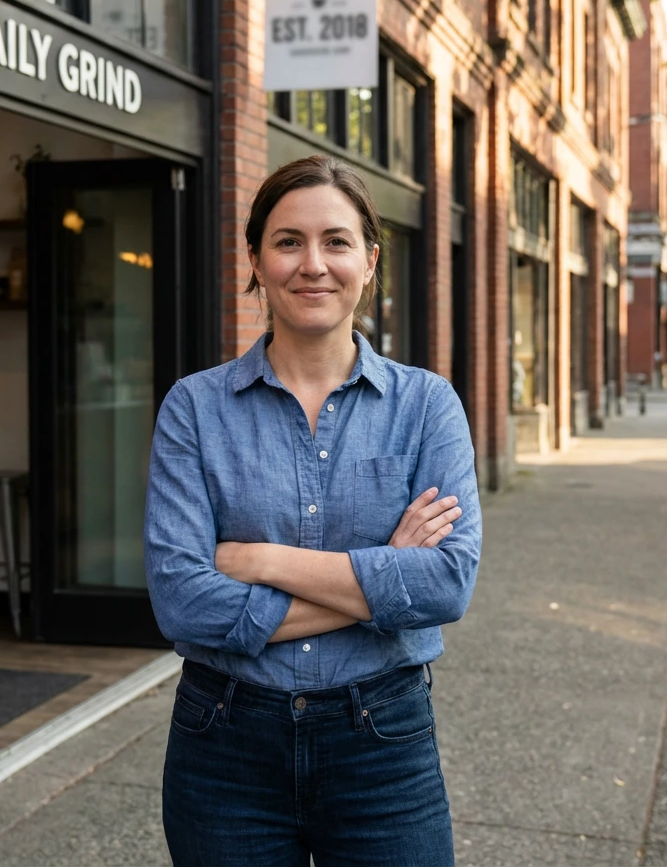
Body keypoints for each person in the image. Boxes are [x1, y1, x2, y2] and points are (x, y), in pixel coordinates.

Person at [144, 155, 482, 867]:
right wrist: (384, 577)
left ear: (369, 260)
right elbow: (181, 601)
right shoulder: (195, 409)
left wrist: (259, 561)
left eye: (336, 241)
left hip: (383, 743)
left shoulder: (426, 407)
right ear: (257, 262)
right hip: (223, 746)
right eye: (288, 241)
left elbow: (447, 584)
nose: (313, 265)